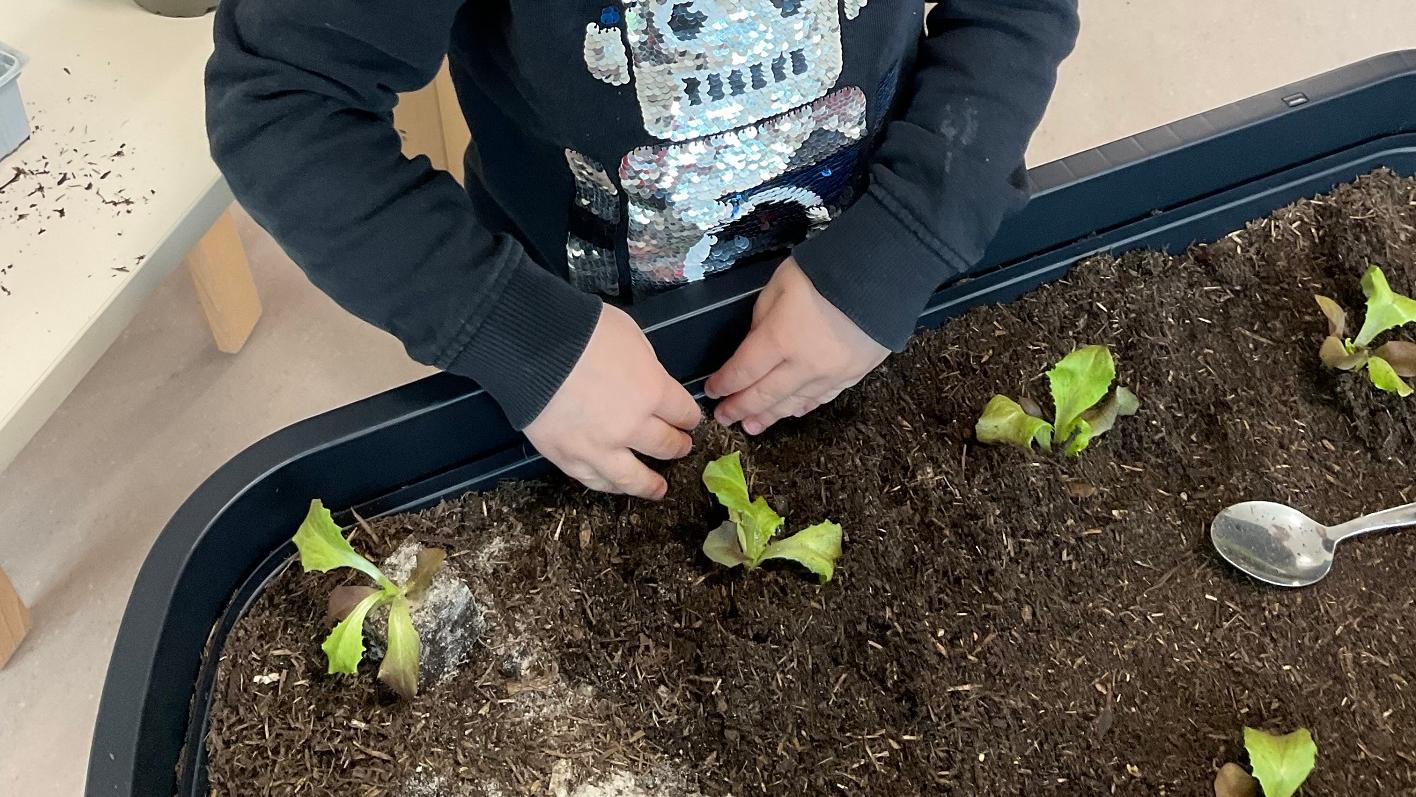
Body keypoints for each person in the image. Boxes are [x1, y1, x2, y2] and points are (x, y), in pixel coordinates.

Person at [206, 0, 1079, 500]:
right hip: (585, 359)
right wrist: (516, 332)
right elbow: (283, 104)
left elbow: (1014, 14)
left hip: (879, 289)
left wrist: (901, 243)